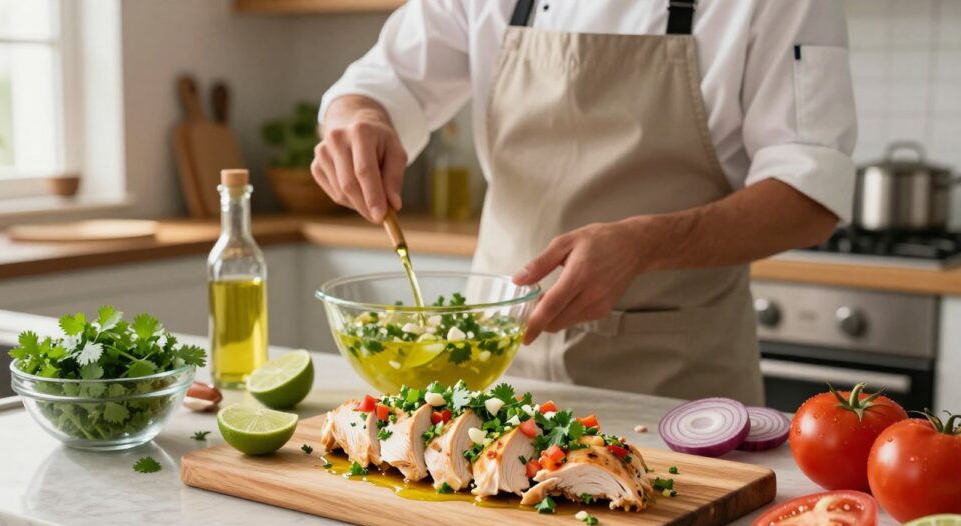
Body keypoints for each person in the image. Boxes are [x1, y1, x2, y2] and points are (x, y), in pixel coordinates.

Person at [311, 0, 857, 404]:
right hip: (488, 372)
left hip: (673, 387)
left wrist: (644, 245)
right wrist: (359, 119)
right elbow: (383, 80)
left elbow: (809, 196)